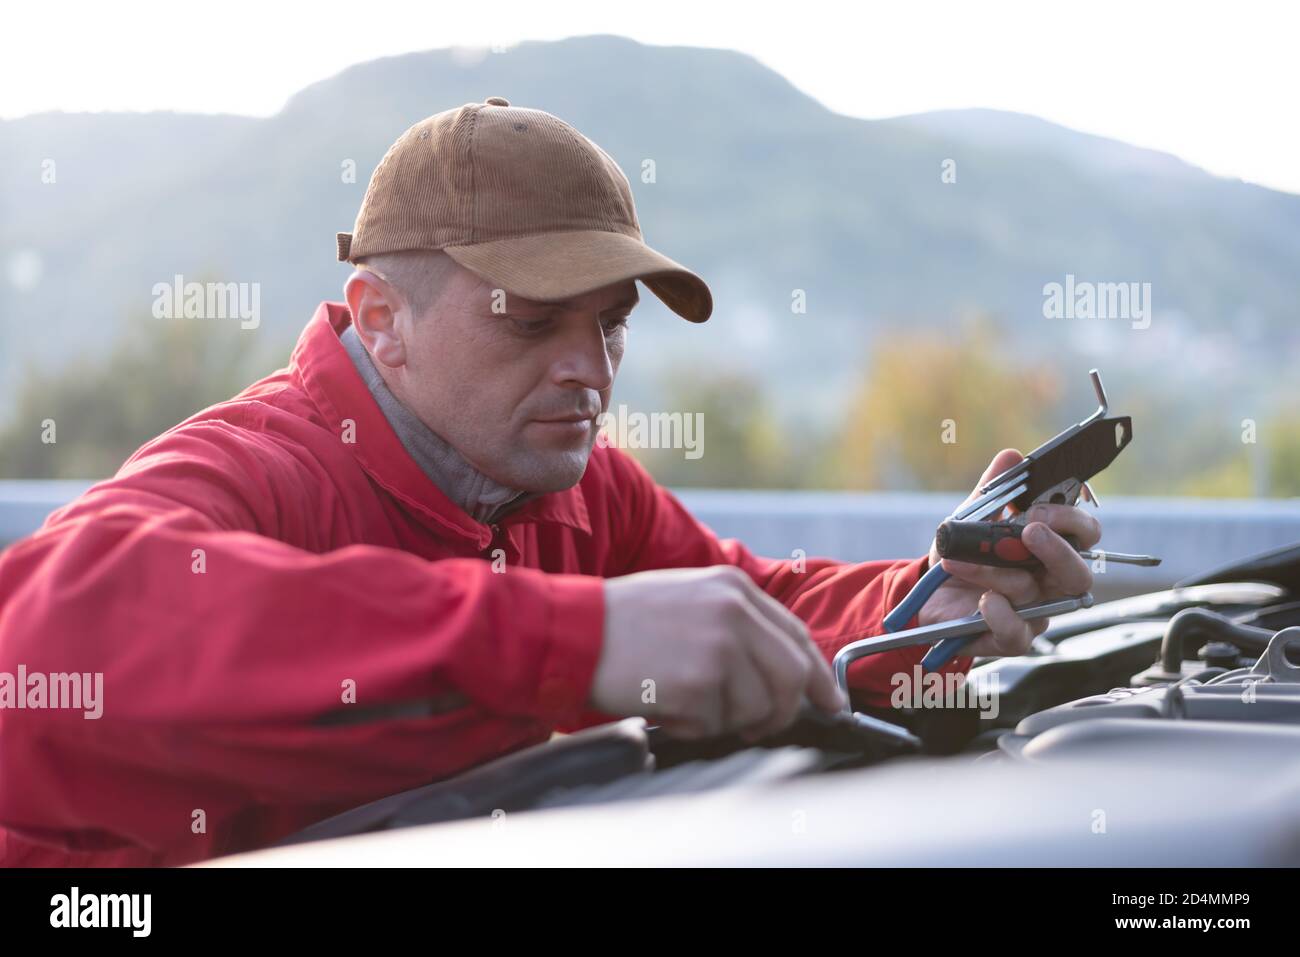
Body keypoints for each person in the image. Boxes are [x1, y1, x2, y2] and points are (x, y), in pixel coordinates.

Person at [0, 97, 1100, 866]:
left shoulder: (580, 491)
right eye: (531, 323)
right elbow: (40, 639)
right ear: (381, 320)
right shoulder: (261, 468)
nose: (589, 371)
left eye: (610, 326)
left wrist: (930, 609)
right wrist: (575, 642)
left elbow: (747, 612)